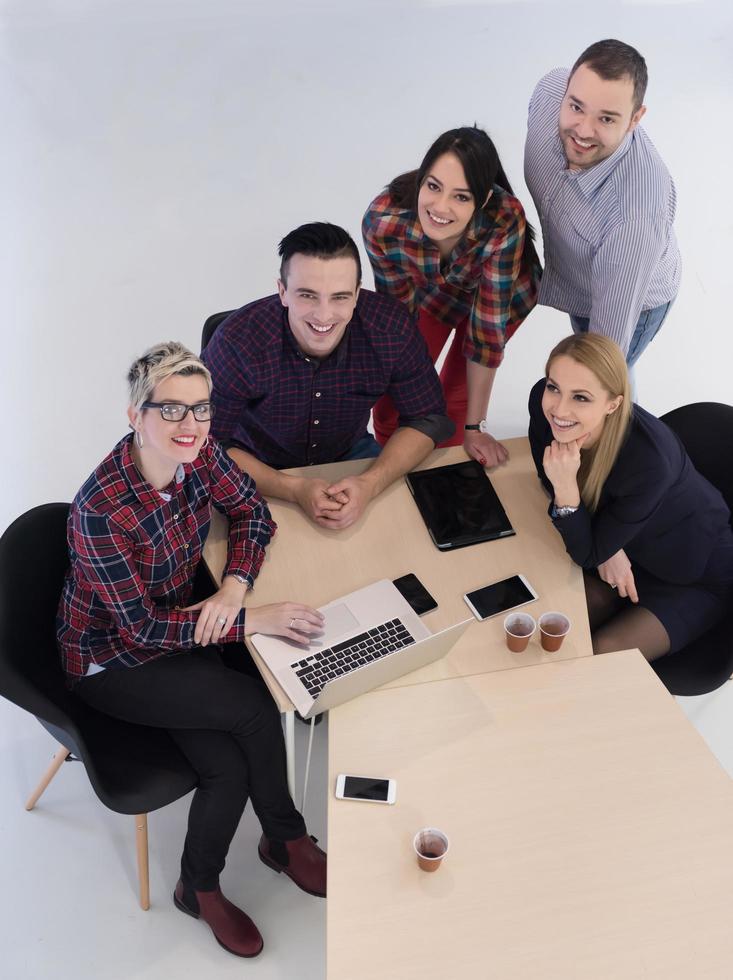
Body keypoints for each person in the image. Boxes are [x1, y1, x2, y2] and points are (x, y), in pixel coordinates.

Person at [57, 342, 327, 959]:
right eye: (171, 410)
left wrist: (234, 587)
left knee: (226, 766)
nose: (191, 425)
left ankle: (203, 882)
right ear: (135, 416)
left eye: (201, 410)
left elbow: (253, 514)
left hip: (183, 626)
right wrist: (252, 620)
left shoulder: (201, 455)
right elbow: (141, 632)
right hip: (111, 658)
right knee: (255, 707)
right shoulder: (99, 511)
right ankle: (281, 840)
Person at [202, 222, 453, 531]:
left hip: (349, 453)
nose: (323, 315)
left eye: (339, 297)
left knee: (402, 537)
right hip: (256, 462)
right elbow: (207, 444)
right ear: (282, 291)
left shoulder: (391, 327)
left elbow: (427, 418)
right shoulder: (236, 342)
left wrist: (371, 483)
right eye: (308, 296)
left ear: (358, 293)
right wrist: (292, 488)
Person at [528, 333, 733, 661]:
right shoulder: (544, 407)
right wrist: (611, 547)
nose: (559, 409)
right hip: (625, 544)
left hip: (695, 570)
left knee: (604, 655)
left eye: (581, 397)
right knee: (551, 621)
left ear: (613, 403)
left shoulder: (650, 463)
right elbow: (546, 476)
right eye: (554, 387)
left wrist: (569, 492)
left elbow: (586, 549)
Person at [362, 126, 541, 469]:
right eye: (433, 186)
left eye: (461, 196)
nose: (441, 207)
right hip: (433, 294)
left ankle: (445, 475)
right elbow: (398, 320)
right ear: (422, 179)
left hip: (502, 299)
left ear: (484, 200)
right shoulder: (383, 223)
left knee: (455, 397)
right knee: (390, 399)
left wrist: (476, 428)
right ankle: (395, 468)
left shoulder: (504, 218)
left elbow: (486, 333)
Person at [524, 39, 681, 366]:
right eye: (576, 107)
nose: (583, 130)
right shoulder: (550, 91)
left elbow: (601, 355)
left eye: (606, 119)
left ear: (635, 119)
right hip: (584, 276)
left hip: (633, 302)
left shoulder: (634, 217)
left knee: (604, 382)